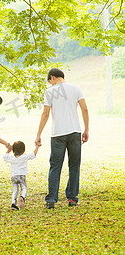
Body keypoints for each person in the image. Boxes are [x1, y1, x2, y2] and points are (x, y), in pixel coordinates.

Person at [35, 68, 89, 209]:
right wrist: (86, 129)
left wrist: (38, 134)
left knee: (55, 166)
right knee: (74, 166)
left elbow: (45, 114)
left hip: (58, 134)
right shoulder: (76, 88)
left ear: (52, 77)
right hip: (75, 132)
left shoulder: (50, 92)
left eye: (50, 81)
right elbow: (85, 109)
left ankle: (51, 199)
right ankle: (72, 198)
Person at [4, 141, 39, 210]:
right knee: (24, 188)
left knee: (15, 190)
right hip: (22, 176)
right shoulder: (24, 157)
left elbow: (5, 157)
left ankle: (13, 204)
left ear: (13, 150)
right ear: (23, 150)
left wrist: (8, 150)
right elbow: (33, 154)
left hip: (13, 176)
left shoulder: (11, 158)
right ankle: (22, 197)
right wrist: (37, 146)